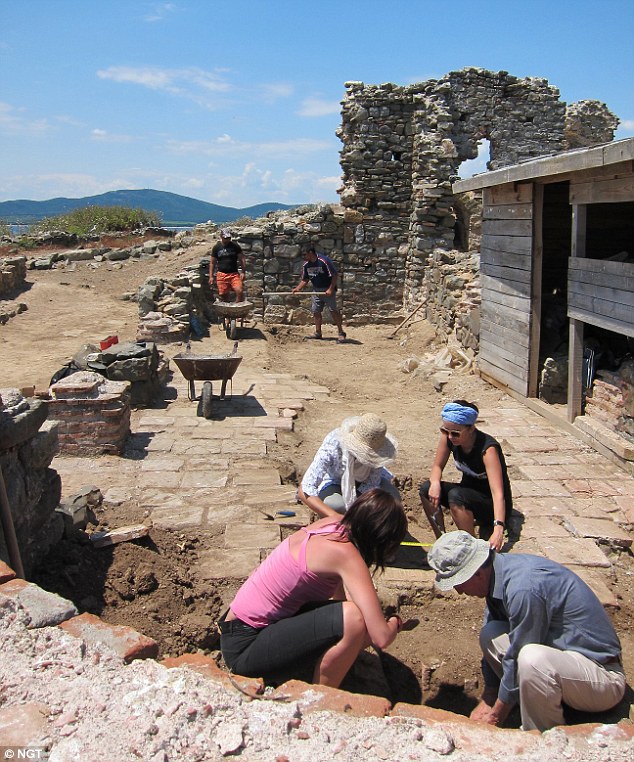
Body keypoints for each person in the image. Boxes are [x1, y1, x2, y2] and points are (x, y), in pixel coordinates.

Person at [427, 531, 626, 732]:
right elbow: (506, 645)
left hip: (603, 678)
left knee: (532, 659)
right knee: (491, 634)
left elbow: (519, 653)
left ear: (476, 573)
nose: (458, 591)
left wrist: (495, 716)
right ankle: (538, 702)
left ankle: (541, 737)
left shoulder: (523, 588)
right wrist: (489, 697)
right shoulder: (496, 575)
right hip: (568, 667)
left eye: (458, 583)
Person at [219, 488, 408, 687]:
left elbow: (338, 598)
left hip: (236, 629)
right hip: (245, 648)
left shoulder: (332, 525)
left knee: (353, 619)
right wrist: (395, 622)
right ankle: (320, 697)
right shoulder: (346, 555)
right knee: (353, 619)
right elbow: (382, 637)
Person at [419, 400, 512, 552]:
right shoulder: (450, 438)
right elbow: (437, 466)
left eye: (455, 433)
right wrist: (435, 482)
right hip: (467, 493)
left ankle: (471, 549)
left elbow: (498, 493)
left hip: (490, 504)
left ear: (471, 429)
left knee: (456, 496)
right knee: (426, 488)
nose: (449, 437)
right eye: (445, 431)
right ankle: (442, 541)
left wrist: (499, 528)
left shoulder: (488, 450)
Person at [297, 413, 399, 518]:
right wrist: (335, 516)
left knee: (392, 501)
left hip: (365, 483)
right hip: (336, 481)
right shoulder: (334, 445)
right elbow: (305, 489)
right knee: (336, 506)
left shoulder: (377, 450)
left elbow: (372, 484)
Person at [292, 245, 347, 343]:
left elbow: (334, 275)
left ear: (310, 253)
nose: (303, 257)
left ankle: (341, 332)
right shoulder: (306, 265)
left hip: (328, 290)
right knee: (316, 311)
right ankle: (318, 332)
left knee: (333, 311)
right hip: (316, 290)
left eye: (305, 254)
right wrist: (298, 288)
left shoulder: (324, 261)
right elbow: (305, 279)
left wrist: (330, 289)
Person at [210, 229, 247, 303]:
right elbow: (212, 263)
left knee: (239, 291)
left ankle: (236, 308)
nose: (227, 240)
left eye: (229, 238)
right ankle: (228, 312)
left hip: (234, 274)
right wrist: (211, 276)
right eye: (225, 238)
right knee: (223, 295)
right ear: (221, 237)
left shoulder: (235, 246)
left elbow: (242, 258)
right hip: (221, 274)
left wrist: (243, 272)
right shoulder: (217, 247)